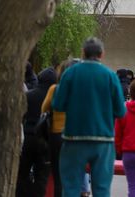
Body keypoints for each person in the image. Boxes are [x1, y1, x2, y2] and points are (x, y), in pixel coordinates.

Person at [52, 37, 126, 197]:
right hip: (103, 141)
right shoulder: (110, 76)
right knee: (101, 190)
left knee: (71, 188)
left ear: (83, 53)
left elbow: (57, 105)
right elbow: (121, 111)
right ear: (102, 54)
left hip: (73, 140)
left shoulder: (70, 74)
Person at [41, 59, 80, 197]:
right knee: (74, 177)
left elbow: (44, 108)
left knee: (58, 178)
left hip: (57, 136)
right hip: (77, 137)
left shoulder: (55, 89)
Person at [16, 67, 57, 197]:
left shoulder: (29, 95)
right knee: (42, 175)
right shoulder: (55, 97)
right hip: (46, 139)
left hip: (28, 137)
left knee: (22, 173)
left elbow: (21, 117)